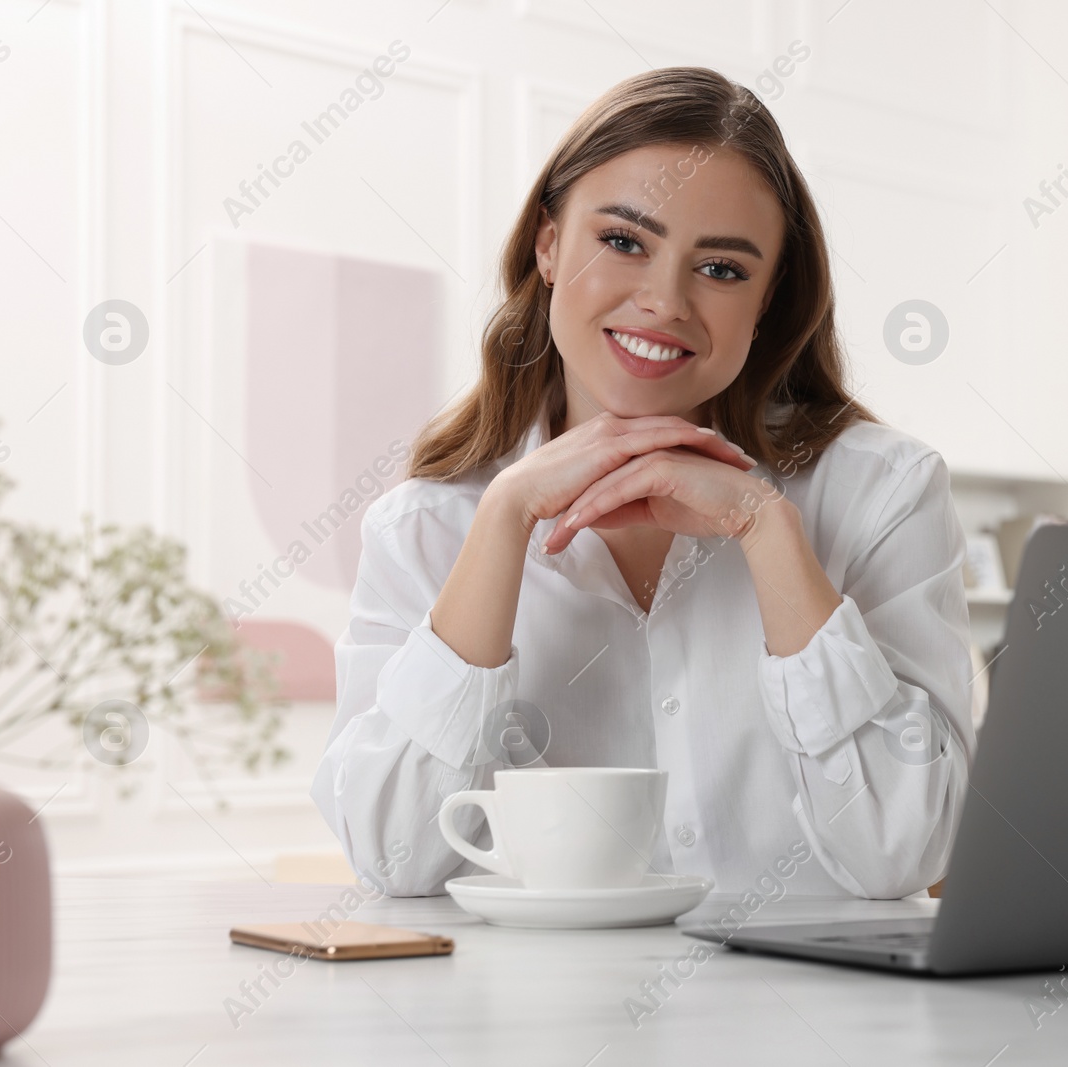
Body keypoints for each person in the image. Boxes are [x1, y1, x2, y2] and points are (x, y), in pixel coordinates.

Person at [311, 66, 975, 899]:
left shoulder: (883, 492)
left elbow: (908, 853)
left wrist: (769, 535)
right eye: (624, 242)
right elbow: (395, 858)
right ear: (548, 246)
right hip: (537, 1024)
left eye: (723, 269)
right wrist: (505, 520)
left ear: (768, 300)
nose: (664, 302)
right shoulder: (425, 526)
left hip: (810, 1024)